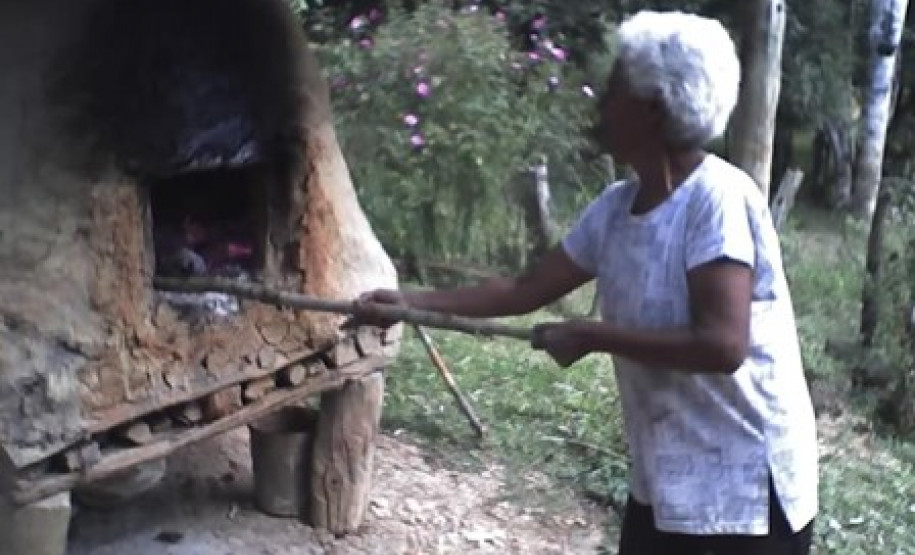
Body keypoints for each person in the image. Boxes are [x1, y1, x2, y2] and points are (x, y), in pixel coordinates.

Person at [354, 10, 817, 555]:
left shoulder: (717, 200)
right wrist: (405, 302)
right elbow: (520, 292)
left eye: (615, 85)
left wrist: (594, 336)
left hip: (745, 494)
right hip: (667, 479)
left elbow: (723, 344)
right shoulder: (616, 209)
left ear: (653, 107)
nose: (600, 99)